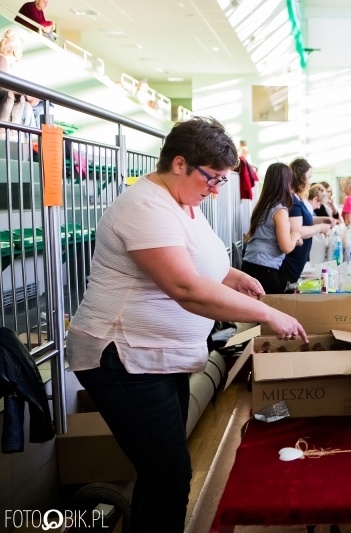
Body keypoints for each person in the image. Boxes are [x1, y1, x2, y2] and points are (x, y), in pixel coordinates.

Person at [65, 117, 307, 533]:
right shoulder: (144, 206)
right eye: (211, 179)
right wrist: (268, 314)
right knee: (168, 474)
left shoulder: (185, 203)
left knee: (164, 473)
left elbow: (199, 263)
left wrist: (234, 276)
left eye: (221, 182)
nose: (215, 191)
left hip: (159, 357)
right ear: (179, 163)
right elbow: (184, 285)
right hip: (123, 357)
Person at [242, 163, 303, 294]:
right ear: (286, 182)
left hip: (249, 262)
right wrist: (295, 236)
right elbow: (286, 247)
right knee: (274, 308)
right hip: (264, 268)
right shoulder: (279, 211)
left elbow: (269, 236)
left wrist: (291, 239)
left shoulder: (262, 206)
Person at [278, 158, 332, 290]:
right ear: (300, 177)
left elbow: (303, 221)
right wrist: (320, 228)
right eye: (308, 177)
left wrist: (322, 219)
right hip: (289, 263)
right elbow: (298, 230)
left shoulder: (297, 198)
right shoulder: (292, 200)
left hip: (296, 263)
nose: (309, 181)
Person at [0, 29, 38, 126]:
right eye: (21, 49)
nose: (21, 52)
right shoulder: (2, 60)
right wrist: (27, 95)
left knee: (27, 106)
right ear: (14, 50)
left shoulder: (6, 62)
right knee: (27, 107)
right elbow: (2, 86)